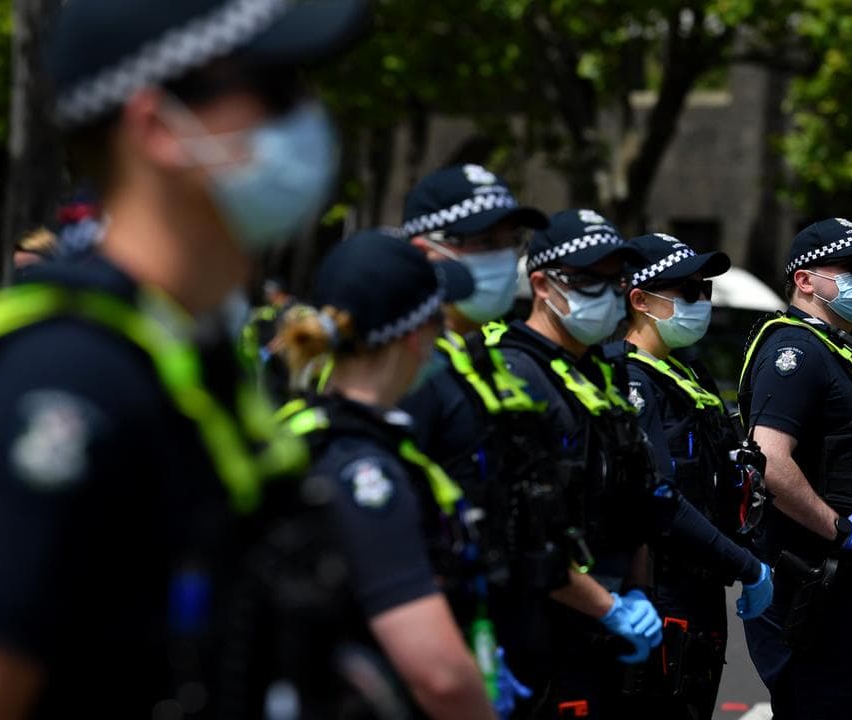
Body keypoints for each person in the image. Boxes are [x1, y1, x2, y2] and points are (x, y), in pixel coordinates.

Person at [0, 1, 370, 717]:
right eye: (273, 89)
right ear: (155, 127)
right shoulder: (65, 382)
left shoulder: (185, 354)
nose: (307, 118)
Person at [400, 167, 652, 713]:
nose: (500, 258)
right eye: (480, 243)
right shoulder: (412, 379)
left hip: (524, 633)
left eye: (506, 243)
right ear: (425, 252)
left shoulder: (486, 367)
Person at [274, 231, 499, 719]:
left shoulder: (305, 429)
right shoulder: (365, 471)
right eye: (441, 321)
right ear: (416, 335)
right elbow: (437, 676)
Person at [482, 208, 676, 719]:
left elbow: (637, 498)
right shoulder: (516, 375)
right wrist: (610, 608)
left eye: (616, 281)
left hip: (609, 625)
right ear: (543, 285)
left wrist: (637, 592)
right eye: (591, 280)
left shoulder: (604, 373)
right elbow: (524, 529)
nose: (609, 294)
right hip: (549, 627)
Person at [737, 217, 852, 720]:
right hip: (809, 582)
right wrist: (839, 526)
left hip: (843, 583)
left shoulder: (837, 349)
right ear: (804, 280)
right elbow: (769, 458)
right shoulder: (794, 351)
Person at [613, 232, 769, 719]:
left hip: (702, 591)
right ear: (639, 299)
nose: (702, 301)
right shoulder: (630, 381)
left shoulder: (688, 374)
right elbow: (661, 498)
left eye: (705, 291)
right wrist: (746, 566)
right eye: (687, 292)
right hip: (662, 590)